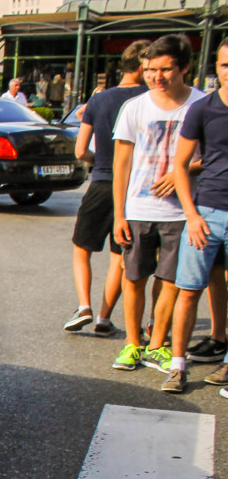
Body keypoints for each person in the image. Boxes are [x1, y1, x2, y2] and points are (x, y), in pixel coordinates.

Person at [112, 34, 207, 376]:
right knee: (134, 277)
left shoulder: (202, 105)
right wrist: (118, 213)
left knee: (169, 280)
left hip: (182, 211)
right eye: (150, 69)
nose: (156, 76)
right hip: (138, 208)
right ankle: (132, 342)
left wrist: (183, 169)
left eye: (165, 69)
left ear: (184, 68)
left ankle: (156, 345)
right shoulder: (135, 107)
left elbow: (214, 155)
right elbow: (120, 163)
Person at [63, 40, 149, 337]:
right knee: (119, 255)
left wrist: (96, 159)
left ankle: (84, 305)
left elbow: (79, 150)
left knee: (81, 248)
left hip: (101, 180)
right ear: (143, 67)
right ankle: (103, 317)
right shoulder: (151, 99)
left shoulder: (99, 100)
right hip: (135, 186)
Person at [167, 39, 228, 393]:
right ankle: (177, 366)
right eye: (224, 65)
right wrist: (191, 214)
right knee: (188, 291)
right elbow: (179, 165)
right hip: (206, 212)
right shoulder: (203, 109)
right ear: (216, 68)